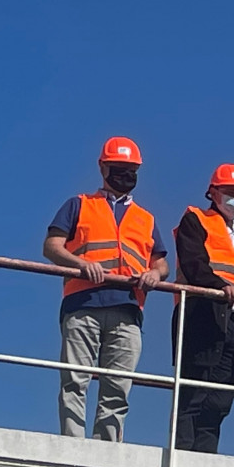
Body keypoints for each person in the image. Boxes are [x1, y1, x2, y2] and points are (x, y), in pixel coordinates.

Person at [43, 136, 168, 441]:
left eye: (132, 169)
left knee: (118, 384)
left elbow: (162, 264)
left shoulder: (145, 219)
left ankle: (106, 448)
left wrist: (155, 274)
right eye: (120, 168)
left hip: (127, 307)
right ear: (103, 167)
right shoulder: (79, 205)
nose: (127, 174)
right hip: (83, 302)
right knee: (75, 379)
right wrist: (81, 263)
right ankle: (73, 443)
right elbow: (51, 247)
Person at [172, 163, 234, 453]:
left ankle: (205, 460)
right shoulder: (196, 220)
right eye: (231, 192)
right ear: (213, 192)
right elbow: (193, 262)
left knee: (220, 400)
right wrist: (220, 286)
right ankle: (184, 457)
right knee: (193, 394)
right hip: (203, 316)